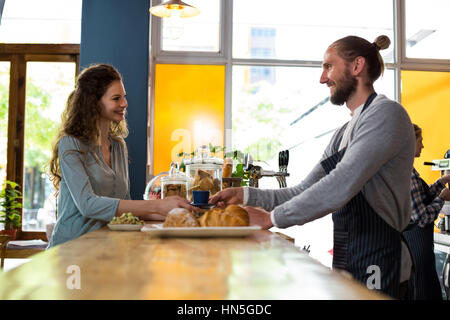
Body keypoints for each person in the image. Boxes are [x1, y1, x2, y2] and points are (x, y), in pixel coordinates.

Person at [210, 35, 416, 298]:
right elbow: (306, 189)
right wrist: (246, 195)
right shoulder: (343, 132)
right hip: (348, 254)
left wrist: (271, 218)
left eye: (328, 66)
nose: (323, 78)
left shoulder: (387, 114)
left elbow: (342, 183)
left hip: (381, 260)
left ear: (357, 67)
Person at [48, 64, 196, 248]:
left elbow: (125, 208)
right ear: (93, 103)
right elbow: (87, 204)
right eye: (116, 98)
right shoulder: (71, 144)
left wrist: (178, 211)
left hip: (105, 246)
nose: (124, 103)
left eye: (123, 97)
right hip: (69, 250)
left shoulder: (118, 146)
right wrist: (157, 206)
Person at [403, 124, 450, 300]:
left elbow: (422, 196)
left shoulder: (409, 169)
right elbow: (422, 217)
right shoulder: (406, 173)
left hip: (420, 245)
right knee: (424, 291)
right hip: (417, 245)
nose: (423, 145)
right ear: (410, 142)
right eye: (420, 141)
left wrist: (441, 181)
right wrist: (443, 198)